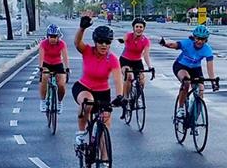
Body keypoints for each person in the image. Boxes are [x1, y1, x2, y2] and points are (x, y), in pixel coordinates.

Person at [73, 15, 125, 145]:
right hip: (84, 87)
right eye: (101, 41)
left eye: (107, 42)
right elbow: (77, 43)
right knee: (87, 102)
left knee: (105, 126)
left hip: (103, 93)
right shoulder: (87, 51)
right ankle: (81, 133)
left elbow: (118, 79)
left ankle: (105, 162)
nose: (104, 45)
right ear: (95, 42)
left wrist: (120, 96)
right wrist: (82, 28)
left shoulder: (112, 59)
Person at [159, 25, 219, 119]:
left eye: (202, 39)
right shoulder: (187, 43)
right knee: (186, 82)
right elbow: (174, 45)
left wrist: (213, 82)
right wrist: (164, 43)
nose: (199, 41)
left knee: (200, 90)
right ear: (194, 37)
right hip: (181, 66)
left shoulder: (207, 50)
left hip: (195, 69)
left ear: (206, 40)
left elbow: (210, 68)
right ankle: (181, 108)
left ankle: (193, 120)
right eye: (198, 38)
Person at [118, 18, 154, 119]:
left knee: (142, 81)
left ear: (144, 29)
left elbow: (146, 55)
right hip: (125, 60)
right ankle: (125, 98)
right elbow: (123, 38)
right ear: (133, 28)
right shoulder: (128, 36)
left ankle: (135, 99)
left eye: (141, 27)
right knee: (129, 76)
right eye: (137, 27)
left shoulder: (145, 41)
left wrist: (150, 66)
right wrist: (121, 40)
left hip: (137, 61)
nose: (139, 29)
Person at [38, 24, 69, 113]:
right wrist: (40, 68)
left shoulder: (62, 44)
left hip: (58, 63)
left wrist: (67, 68)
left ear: (58, 37)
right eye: (51, 36)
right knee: (44, 77)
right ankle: (43, 101)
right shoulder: (43, 43)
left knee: (61, 85)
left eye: (55, 37)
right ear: (48, 36)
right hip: (46, 63)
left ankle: (59, 102)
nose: (52, 39)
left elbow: (65, 56)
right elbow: (41, 56)